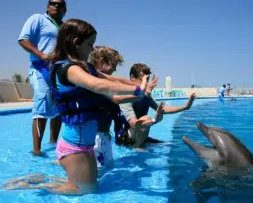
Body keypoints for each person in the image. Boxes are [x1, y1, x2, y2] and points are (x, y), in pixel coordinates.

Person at [4, 19, 150, 195]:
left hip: (83, 144)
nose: (91, 49)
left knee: (88, 186)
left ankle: (39, 178)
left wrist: (142, 86)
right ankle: (31, 185)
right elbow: (97, 85)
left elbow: (111, 80)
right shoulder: (69, 69)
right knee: (84, 190)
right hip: (75, 146)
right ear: (75, 42)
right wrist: (136, 90)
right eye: (89, 44)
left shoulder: (83, 67)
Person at [89, 46, 158, 167]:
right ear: (100, 61)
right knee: (92, 180)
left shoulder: (101, 80)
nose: (115, 69)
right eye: (113, 65)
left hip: (103, 136)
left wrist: (143, 91)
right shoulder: (93, 80)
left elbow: (117, 90)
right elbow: (118, 94)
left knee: (105, 171)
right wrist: (141, 89)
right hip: (93, 137)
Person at [18, 0, 67, 156]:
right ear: (47, 7)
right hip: (40, 68)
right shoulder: (38, 19)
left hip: (59, 70)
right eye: (53, 4)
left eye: (60, 5)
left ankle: (53, 144)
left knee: (58, 106)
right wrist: (41, 55)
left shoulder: (65, 27)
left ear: (64, 10)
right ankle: (37, 151)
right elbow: (23, 39)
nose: (56, 6)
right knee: (43, 104)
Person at [116, 63, 196, 148]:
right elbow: (134, 124)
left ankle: (142, 141)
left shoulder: (144, 95)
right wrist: (155, 120)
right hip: (125, 138)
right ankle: (137, 147)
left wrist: (185, 107)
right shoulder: (125, 96)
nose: (146, 83)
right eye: (142, 80)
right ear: (132, 78)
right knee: (146, 118)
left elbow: (162, 109)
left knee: (170, 145)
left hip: (139, 135)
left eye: (147, 80)